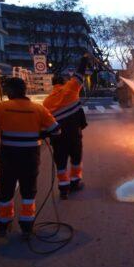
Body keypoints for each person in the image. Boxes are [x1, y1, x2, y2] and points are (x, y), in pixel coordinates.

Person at [0, 78, 60, 237]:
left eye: (6, 89)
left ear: (11, 91)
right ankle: (26, 225)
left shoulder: (0, 108)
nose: (5, 92)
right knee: (28, 191)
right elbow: (56, 130)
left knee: (6, 191)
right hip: (30, 157)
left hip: (8, 158)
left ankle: (4, 224)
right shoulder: (38, 109)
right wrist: (42, 133)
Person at [43, 54, 89, 200]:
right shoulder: (70, 89)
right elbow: (79, 73)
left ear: (52, 85)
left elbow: (45, 124)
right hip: (74, 135)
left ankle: (64, 188)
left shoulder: (47, 101)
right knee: (76, 159)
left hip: (58, 139)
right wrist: (85, 59)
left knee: (61, 162)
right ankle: (75, 183)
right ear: (63, 81)